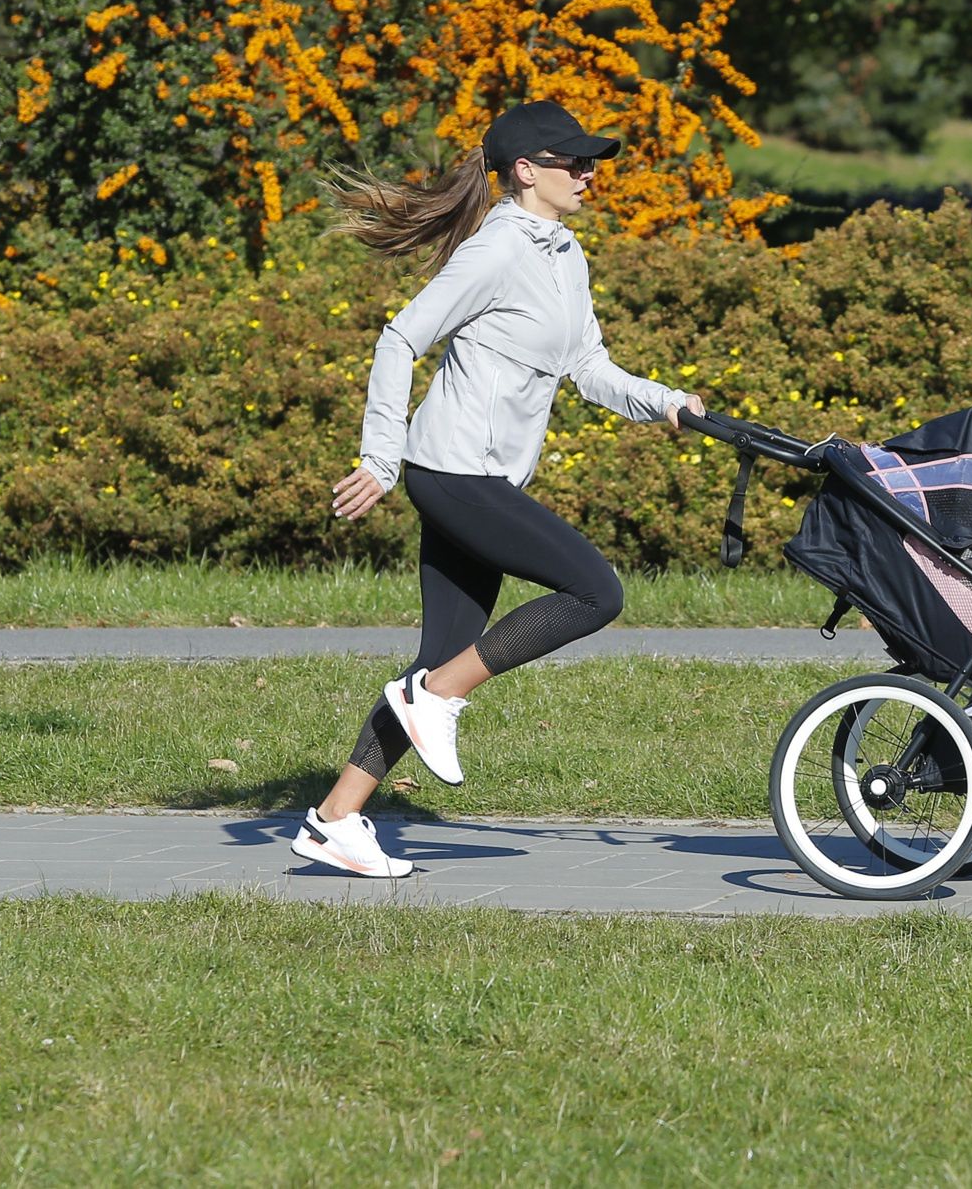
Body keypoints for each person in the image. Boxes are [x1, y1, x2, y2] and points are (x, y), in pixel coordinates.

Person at [289, 100, 705, 878]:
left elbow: (589, 369)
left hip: (480, 476)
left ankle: (335, 817)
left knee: (437, 657)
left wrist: (667, 403)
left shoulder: (565, 253)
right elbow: (401, 336)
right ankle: (438, 695)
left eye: (591, 161)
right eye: (573, 161)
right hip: (453, 471)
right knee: (595, 590)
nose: (590, 172)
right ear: (526, 170)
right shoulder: (498, 249)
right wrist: (382, 457)